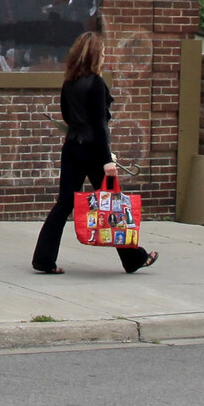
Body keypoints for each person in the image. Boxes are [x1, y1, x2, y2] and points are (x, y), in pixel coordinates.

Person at [31, 29, 155, 275]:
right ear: (96, 56)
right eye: (104, 52)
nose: (106, 56)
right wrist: (107, 159)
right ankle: (133, 258)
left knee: (64, 203)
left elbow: (67, 116)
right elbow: (100, 125)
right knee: (115, 204)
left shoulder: (69, 83)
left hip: (72, 148)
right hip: (93, 152)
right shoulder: (97, 84)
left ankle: (43, 259)